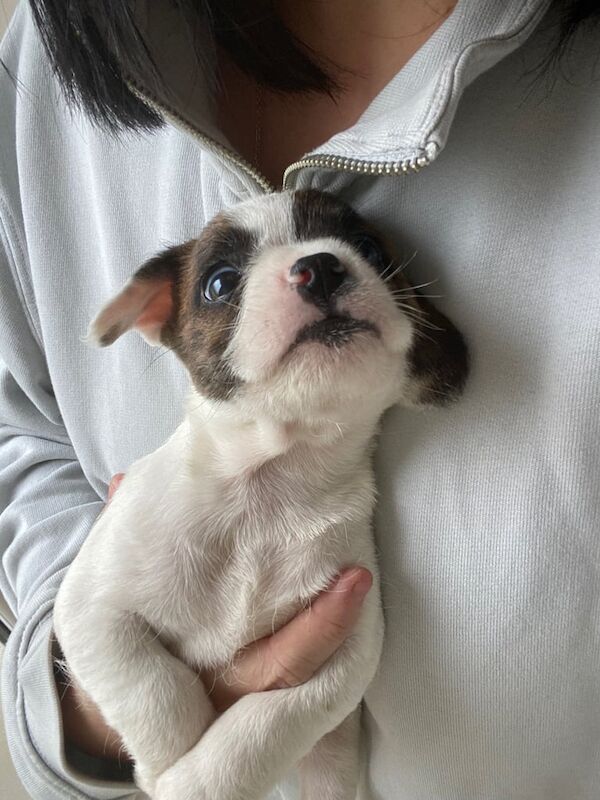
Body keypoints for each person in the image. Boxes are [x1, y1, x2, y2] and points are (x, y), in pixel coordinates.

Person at [1, 1, 599, 798]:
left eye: (351, 252)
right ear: (155, 322)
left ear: (419, 363)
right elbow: (75, 587)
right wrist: (132, 736)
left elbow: (340, 669)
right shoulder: (40, 66)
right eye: (222, 281)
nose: (313, 268)